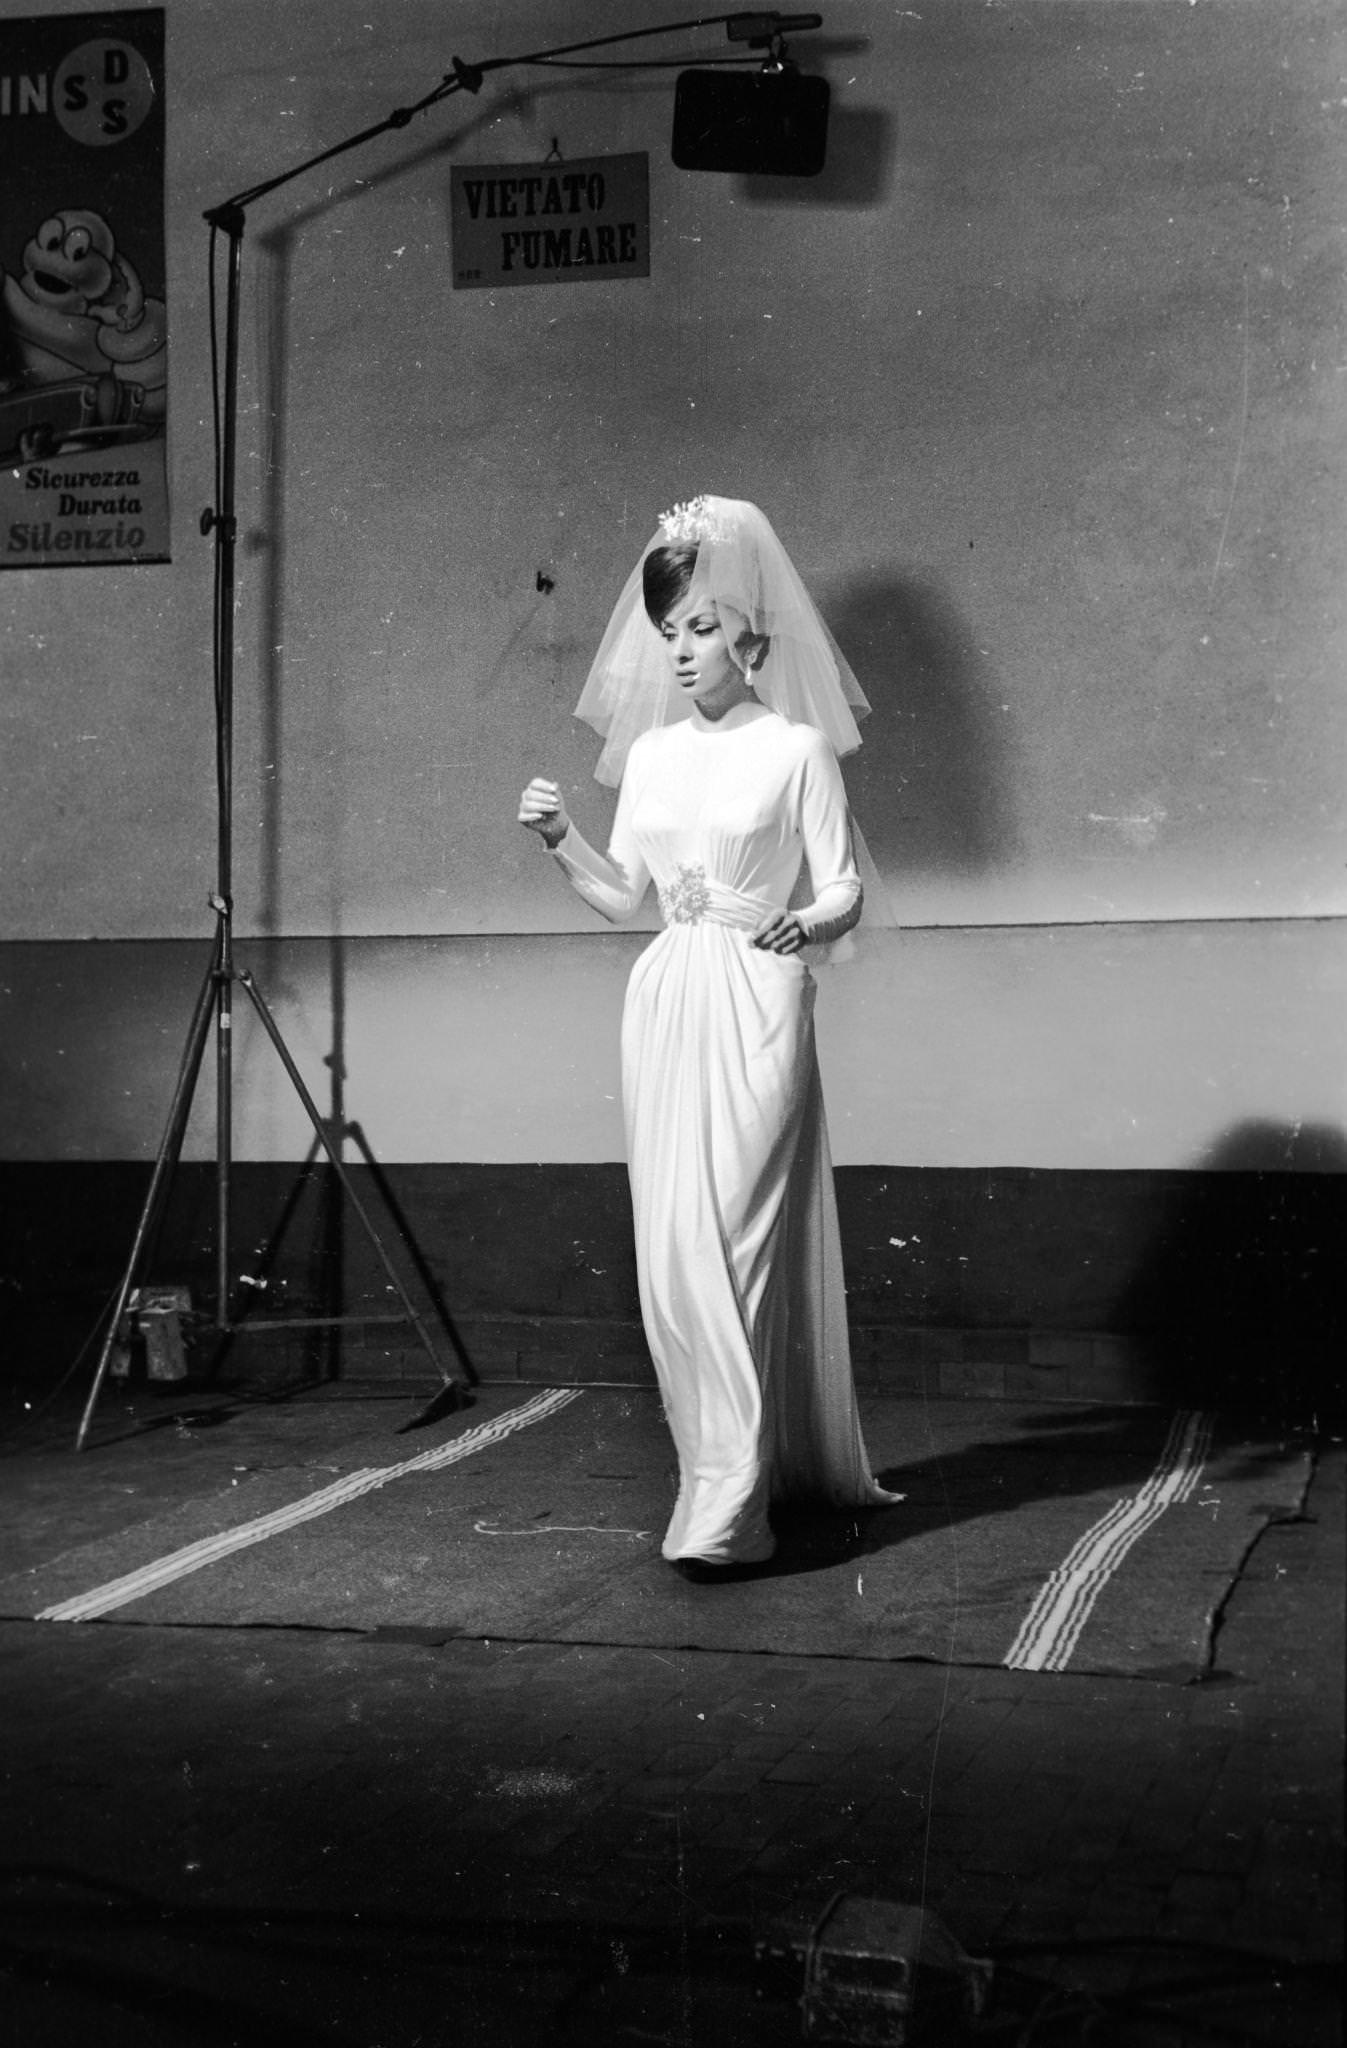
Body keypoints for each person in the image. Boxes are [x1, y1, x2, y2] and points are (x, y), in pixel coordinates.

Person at [518, 494, 896, 1575]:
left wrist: (806, 922)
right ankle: (722, 1484)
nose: (679, 651)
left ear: (754, 639)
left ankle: (730, 1500)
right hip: (668, 997)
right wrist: (558, 840)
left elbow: (844, 891)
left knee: (735, 1239)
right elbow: (622, 895)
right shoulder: (649, 759)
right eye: (668, 630)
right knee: (676, 1250)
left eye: (699, 628)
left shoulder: (799, 749)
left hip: (762, 990)